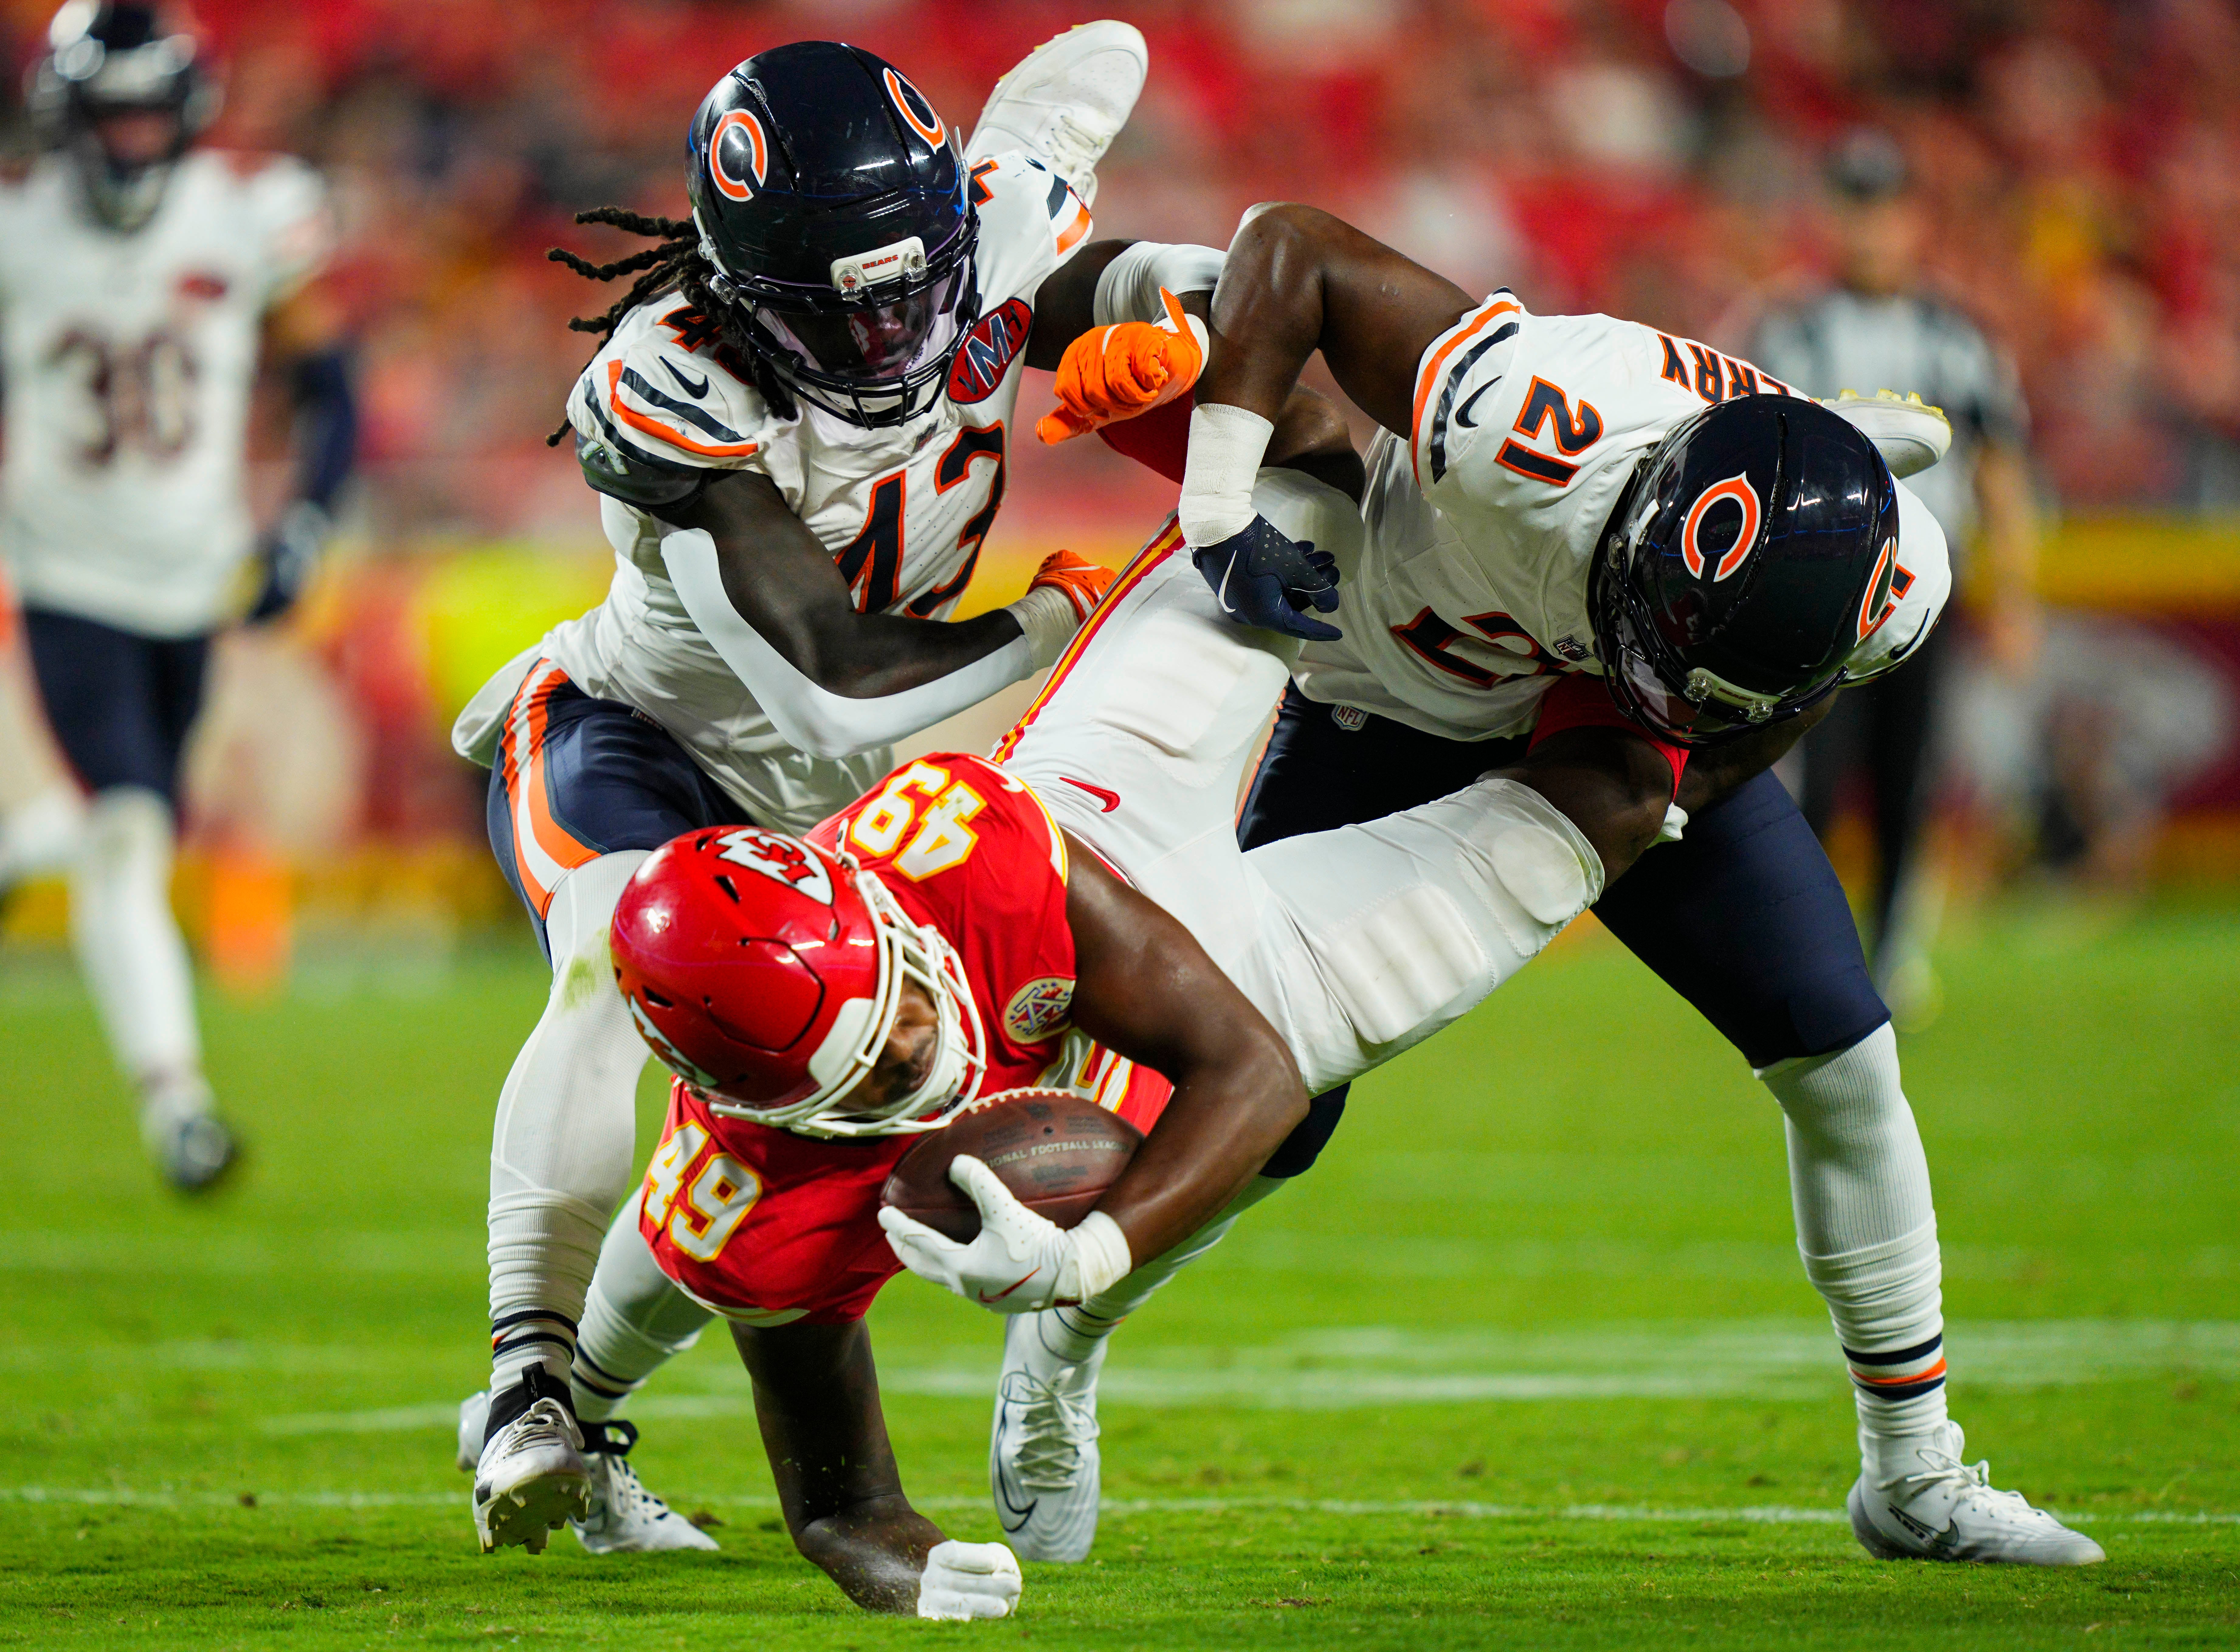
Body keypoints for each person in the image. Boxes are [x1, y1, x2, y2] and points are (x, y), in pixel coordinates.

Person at [983, 200, 2100, 1569]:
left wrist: (1665, 802)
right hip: (1386, 692)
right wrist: (1217, 506)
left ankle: (1914, 1474)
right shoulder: (1530, 423)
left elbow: (1781, 703)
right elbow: (1292, 250)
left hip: (1597, 739)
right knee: (1264, 1096)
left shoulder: (1893, 576)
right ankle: (1062, 1347)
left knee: (1845, 1057)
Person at [592, 444, 1685, 1614]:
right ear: (764, 1108)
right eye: (867, 1084)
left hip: (1110, 818)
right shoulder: (749, 1196)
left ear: (873, 912)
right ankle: (1038, 1363)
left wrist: (1082, 1259)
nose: (918, 1060)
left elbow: (1243, 1068)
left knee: (1304, 483)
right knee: (1610, 800)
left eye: (904, 1013)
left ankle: (1678, 491)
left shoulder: (963, 854)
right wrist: (907, 1569)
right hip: (1206, 979)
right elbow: (837, 1503)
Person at [449, 25, 1251, 1556]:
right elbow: (826, 677)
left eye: (917, 282)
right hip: (645, 742)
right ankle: (527, 1382)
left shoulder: (989, 223)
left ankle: (589, 1403)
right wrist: (1046, 619)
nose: (895, 329)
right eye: (845, 299)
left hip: (841, 815)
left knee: (777, 1143)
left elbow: (1106, 66)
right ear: (743, 290)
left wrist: (1168, 311)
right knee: (613, 961)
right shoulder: (676, 381)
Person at [0, 1, 355, 1191]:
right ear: (67, 119)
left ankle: (16, 852)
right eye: (109, 117)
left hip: (191, 575)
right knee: (131, 826)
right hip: (64, 573)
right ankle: (178, 1107)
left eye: (148, 115)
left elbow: (328, 381)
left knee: (143, 805)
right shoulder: (20, 232)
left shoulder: (248, 215)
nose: (129, 142)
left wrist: (305, 517)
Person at [1747, 128, 2040, 1016]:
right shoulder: (1783, 330)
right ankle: (1814, 943)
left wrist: (2015, 596)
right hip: (1820, 591)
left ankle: (1895, 951)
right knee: (1820, 777)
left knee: (1907, 777)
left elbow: (1999, 469)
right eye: (1853, 205)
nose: (1868, 228)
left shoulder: (1955, 338)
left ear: (1913, 220)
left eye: (1883, 208)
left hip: (1923, 590)